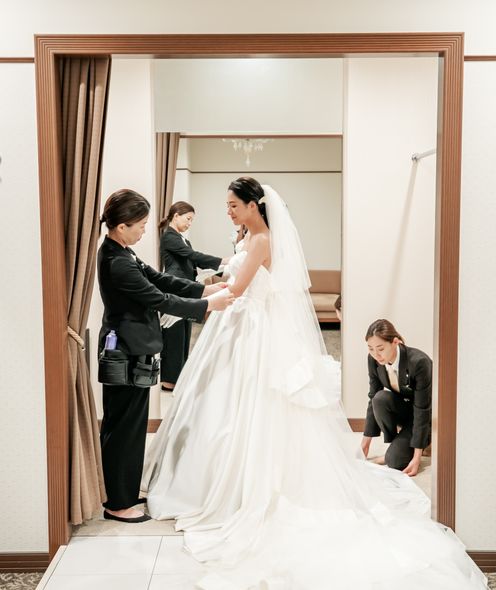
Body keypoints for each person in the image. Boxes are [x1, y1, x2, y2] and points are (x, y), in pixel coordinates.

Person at [142, 178, 485, 589]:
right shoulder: (248, 237)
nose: (228, 211)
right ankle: (220, 481)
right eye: (227, 205)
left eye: (233, 204)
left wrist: (201, 296)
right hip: (238, 325)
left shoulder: (262, 240)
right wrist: (212, 286)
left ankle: (251, 488)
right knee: (223, 405)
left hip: (252, 330)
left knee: (254, 404)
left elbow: (239, 288)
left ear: (253, 205)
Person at [97, 188, 234, 524]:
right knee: (124, 427)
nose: (145, 231)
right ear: (122, 226)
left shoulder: (123, 252)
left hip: (133, 349)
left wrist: (204, 289)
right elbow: (158, 298)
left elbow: (160, 279)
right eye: (141, 225)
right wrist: (206, 305)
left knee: (131, 425)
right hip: (126, 351)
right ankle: (118, 504)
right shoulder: (116, 261)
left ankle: (125, 493)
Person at [158, 201, 230, 391]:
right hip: (175, 289)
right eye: (188, 219)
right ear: (176, 216)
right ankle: (169, 380)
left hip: (186, 289)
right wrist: (223, 261)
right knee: (174, 335)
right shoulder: (169, 237)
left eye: (192, 220)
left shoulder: (183, 240)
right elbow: (194, 256)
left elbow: (194, 264)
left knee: (184, 333)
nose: (190, 223)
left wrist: (226, 270)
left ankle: (179, 378)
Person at [361, 319, 432, 477]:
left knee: (394, 462)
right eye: (371, 349)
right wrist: (364, 444)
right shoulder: (373, 359)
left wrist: (417, 457)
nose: (376, 354)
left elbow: (423, 410)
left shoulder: (419, 362)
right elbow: (373, 396)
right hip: (406, 410)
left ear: (395, 342)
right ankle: (396, 445)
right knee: (379, 399)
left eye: (380, 348)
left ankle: (415, 445)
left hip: (426, 416)